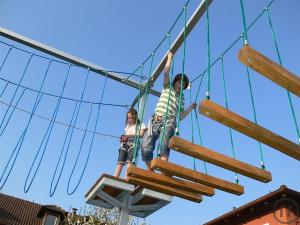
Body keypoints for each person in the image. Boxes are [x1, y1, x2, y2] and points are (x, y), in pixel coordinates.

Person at [141, 52, 197, 170]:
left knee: (163, 144)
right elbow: (166, 72)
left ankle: (164, 170)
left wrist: (191, 108)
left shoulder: (182, 98)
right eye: (178, 82)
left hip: (169, 121)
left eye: (183, 84)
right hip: (155, 119)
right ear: (174, 82)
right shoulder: (167, 88)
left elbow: (181, 116)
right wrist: (169, 59)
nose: (180, 85)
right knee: (145, 147)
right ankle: (150, 170)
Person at [114, 108, 147, 178]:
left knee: (129, 162)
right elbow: (126, 135)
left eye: (131, 118)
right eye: (128, 118)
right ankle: (115, 177)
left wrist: (128, 136)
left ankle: (126, 178)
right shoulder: (128, 126)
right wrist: (123, 138)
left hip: (133, 145)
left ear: (135, 117)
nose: (130, 120)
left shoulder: (141, 124)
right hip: (125, 144)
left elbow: (141, 135)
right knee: (120, 162)